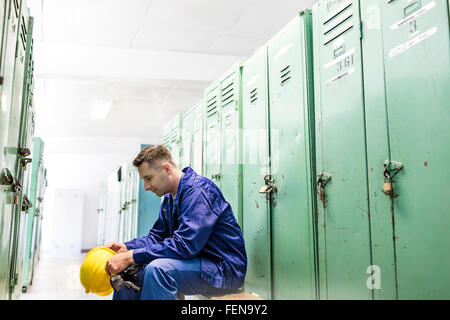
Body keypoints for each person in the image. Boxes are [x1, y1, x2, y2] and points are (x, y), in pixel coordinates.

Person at [104, 144, 247, 300]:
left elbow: (185, 246)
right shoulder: (169, 199)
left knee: (158, 270)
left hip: (221, 269)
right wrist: (128, 248)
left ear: (166, 168)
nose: (146, 187)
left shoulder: (198, 192)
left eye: (148, 178)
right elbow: (156, 237)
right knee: (130, 273)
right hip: (196, 264)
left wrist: (132, 256)